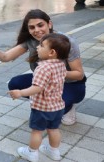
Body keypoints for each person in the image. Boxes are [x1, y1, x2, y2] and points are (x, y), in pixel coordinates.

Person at [0, 9, 86, 126]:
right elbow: (5, 57)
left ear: (49, 24)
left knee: (58, 104)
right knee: (15, 83)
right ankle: (46, 103)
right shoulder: (30, 42)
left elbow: (79, 74)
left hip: (71, 84)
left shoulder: (66, 42)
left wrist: (54, 72)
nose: (36, 30)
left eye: (40, 25)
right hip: (47, 82)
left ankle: (68, 108)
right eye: (32, 27)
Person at [9, 33, 69, 161]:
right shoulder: (61, 65)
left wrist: (20, 93)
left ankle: (31, 152)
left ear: (52, 52)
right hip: (58, 106)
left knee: (37, 131)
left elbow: (37, 87)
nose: (37, 48)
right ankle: (54, 152)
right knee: (53, 129)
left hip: (42, 108)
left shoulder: (42, 68)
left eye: (41, 46)